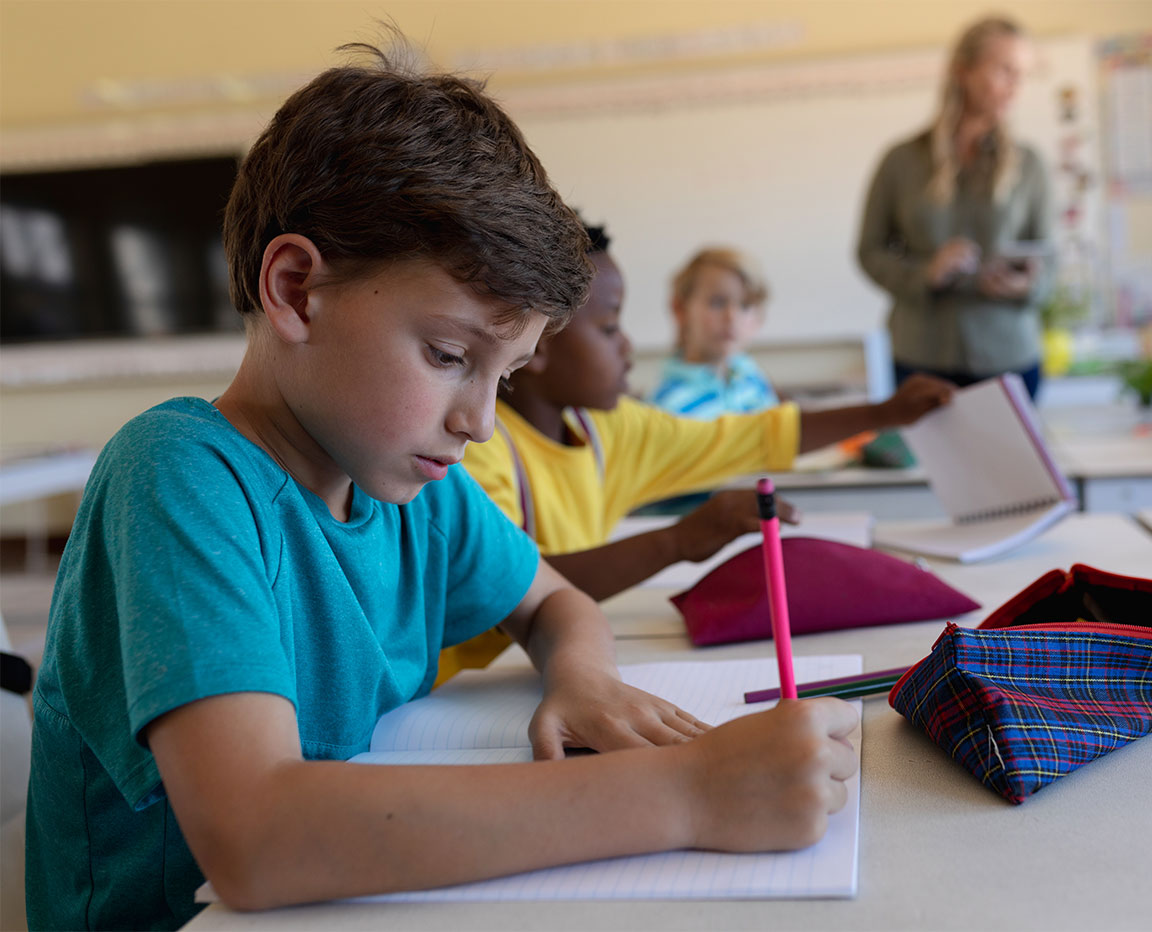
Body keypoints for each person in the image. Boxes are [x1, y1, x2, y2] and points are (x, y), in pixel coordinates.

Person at [24, 42, 861, 931]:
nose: (481, 421)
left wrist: (583, 678)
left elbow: (556, 603)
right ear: (296, 290)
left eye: (504, 377)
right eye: (450, 356)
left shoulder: (415, 495)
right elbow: (256, 837)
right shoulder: (180, 475)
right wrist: (687, 794)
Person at [457, 223, 952, 661]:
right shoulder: (479, 448)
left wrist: (884, 412)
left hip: (551, 666)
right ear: (535, 345)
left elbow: (747, 437)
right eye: (610, 328)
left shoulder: (608, 431)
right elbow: (513, 590)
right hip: (469, 693)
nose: (628, 346)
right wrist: (678, 541)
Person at [857, 15, 1052, 400]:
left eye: (1022, 75)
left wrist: (1025, 283)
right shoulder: (900, 161)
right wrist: (924, 274)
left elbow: (1050, 258)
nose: (1015, 87)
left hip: (1009, 356)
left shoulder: (1030, 165)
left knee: (1008, 463)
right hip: (921, 356)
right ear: (962, 72)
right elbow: (869, 251)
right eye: (1004, 71)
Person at [649, 246, 778, 418]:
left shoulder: (751, 376)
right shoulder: (664, 407)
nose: (731, 317)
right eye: (717, 303)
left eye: (745, 305)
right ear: (680, 309)